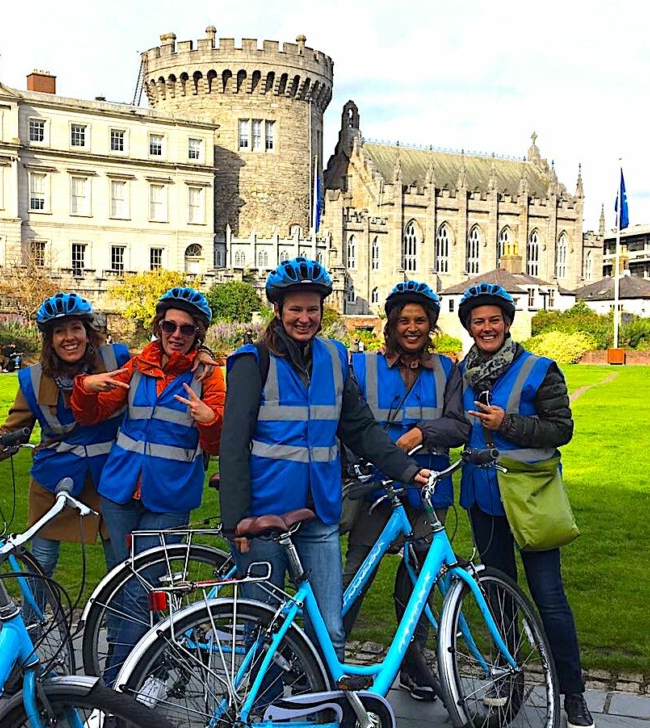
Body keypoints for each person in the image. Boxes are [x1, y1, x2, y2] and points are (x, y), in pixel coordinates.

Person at [220, 257, 433, 657]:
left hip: (319, 508)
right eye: (295, 309)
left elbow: (361, 428)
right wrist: (236, 522)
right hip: (264, 512)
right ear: (278, 310)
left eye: (312, 309)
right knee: (262, 628)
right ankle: (260, 712)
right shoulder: (254, 362)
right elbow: (232, 446)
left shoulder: (335, 358)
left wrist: (407, 469)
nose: (305, 318)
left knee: (330, 629)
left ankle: (319, 711)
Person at [455, 282, 594, 728]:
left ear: (507, 323)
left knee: (549, 598)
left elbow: (561, 429)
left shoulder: (539, 369)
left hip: (530, 497)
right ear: (469, 327)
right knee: (498, 597)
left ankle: (571, 691)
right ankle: (508, 681)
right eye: (478, 321)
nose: (487, 327)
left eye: (494, 319)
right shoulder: (464, 372)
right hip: (484, 499)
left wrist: (508, 423)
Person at [72, 286, 226, 677]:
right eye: (169, 325)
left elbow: (218, 444)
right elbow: (93, 414)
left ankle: (115, 681)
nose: (177, 334)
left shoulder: (210, 377)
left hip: (169, 499)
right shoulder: (139, 366)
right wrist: (84, 390)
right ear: (158, 326)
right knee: (117, 587)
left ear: (199, 333)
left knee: (140, 590)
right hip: (121, 491)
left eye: (187, 329)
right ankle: (139, 668)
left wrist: (210, 421)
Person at [342, 280, 469, 701]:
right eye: (404, 320)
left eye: (420, 321)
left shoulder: (448, 370)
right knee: (354, 577)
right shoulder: (361, 367)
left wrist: (420, 432)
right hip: (377, 489)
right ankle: (328, 658)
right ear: (391, 324)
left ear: (431, 325)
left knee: (418, 586)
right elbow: (348, 428)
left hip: (427, 490)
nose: (411, 328)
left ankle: (414, 665)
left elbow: (460, 425)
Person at [0, 292, 129, 578]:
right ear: (49, 340)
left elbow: (159, 367)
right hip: (54, 478)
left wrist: (200, 352)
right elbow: (14, 429)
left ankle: (126, 624)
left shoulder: (117, 358)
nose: (69, 338)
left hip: (110, 477)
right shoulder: (34, 378)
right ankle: (32, 623)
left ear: (88, 333)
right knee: (41, 562)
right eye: (59, 331)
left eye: (76, 328)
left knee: (121, 564)